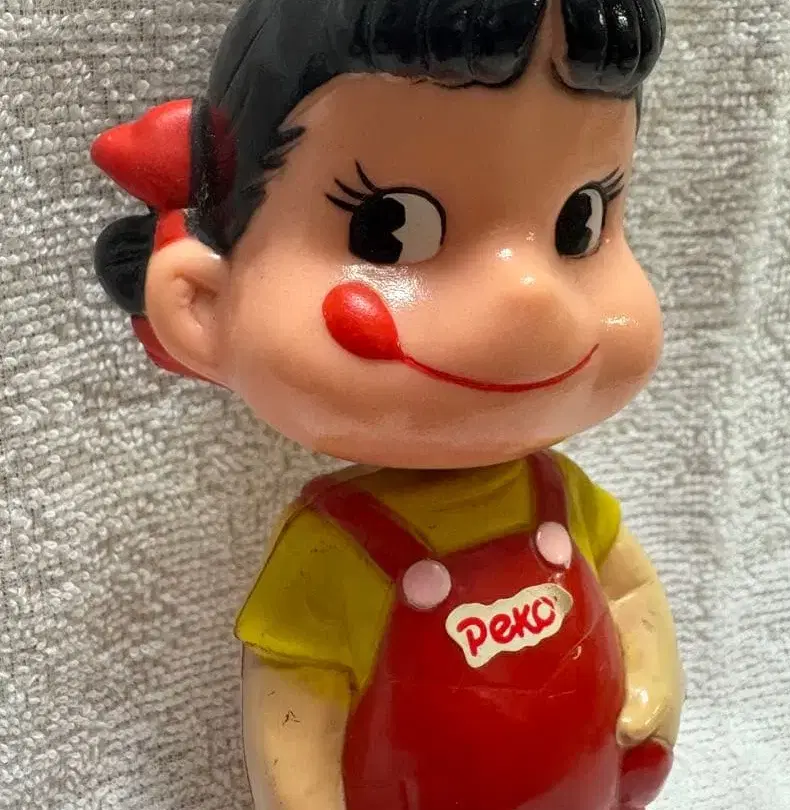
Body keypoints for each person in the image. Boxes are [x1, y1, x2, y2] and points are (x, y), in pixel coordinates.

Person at [91, 0, 683, 807]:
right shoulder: (335, 546)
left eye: (578, 223)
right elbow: (295, 715)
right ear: (199, 302)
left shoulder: (562, 496)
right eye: (391, 228)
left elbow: (632, 594)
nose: (529, 295)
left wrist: (652, 688)